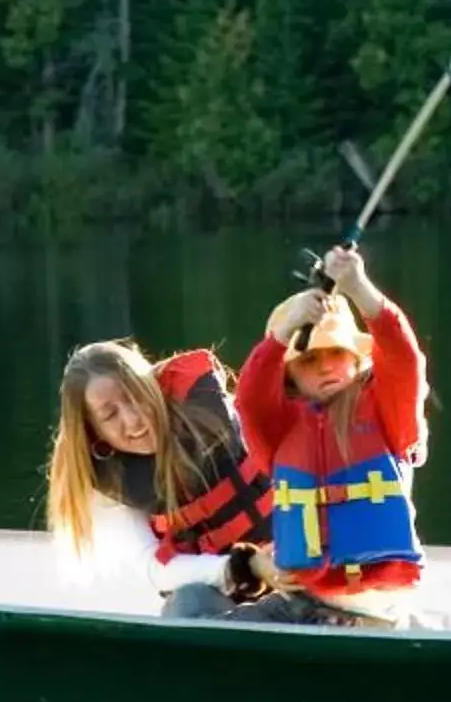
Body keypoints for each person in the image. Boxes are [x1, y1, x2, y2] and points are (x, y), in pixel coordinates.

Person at [232, 243, 429, 625]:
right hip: (302, 597)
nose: (325, 367)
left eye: (336, 353)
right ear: (287, 374)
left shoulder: (388, 410)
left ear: (356, 357)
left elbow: (405, 358)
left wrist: (359, 288)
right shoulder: (280, 427)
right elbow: (251, 397)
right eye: (308, 358)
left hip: (372, 606)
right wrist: (282, 335)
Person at [44, 338, 278, 618]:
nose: (134, 420)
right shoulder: (110, 482)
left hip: (296, 569)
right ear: (93, 431)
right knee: (189, 600)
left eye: (135, 396)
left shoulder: (212, 409)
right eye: (110, 415)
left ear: (152, 386)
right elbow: (156, 569)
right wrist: (247, 566)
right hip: (226, 595)